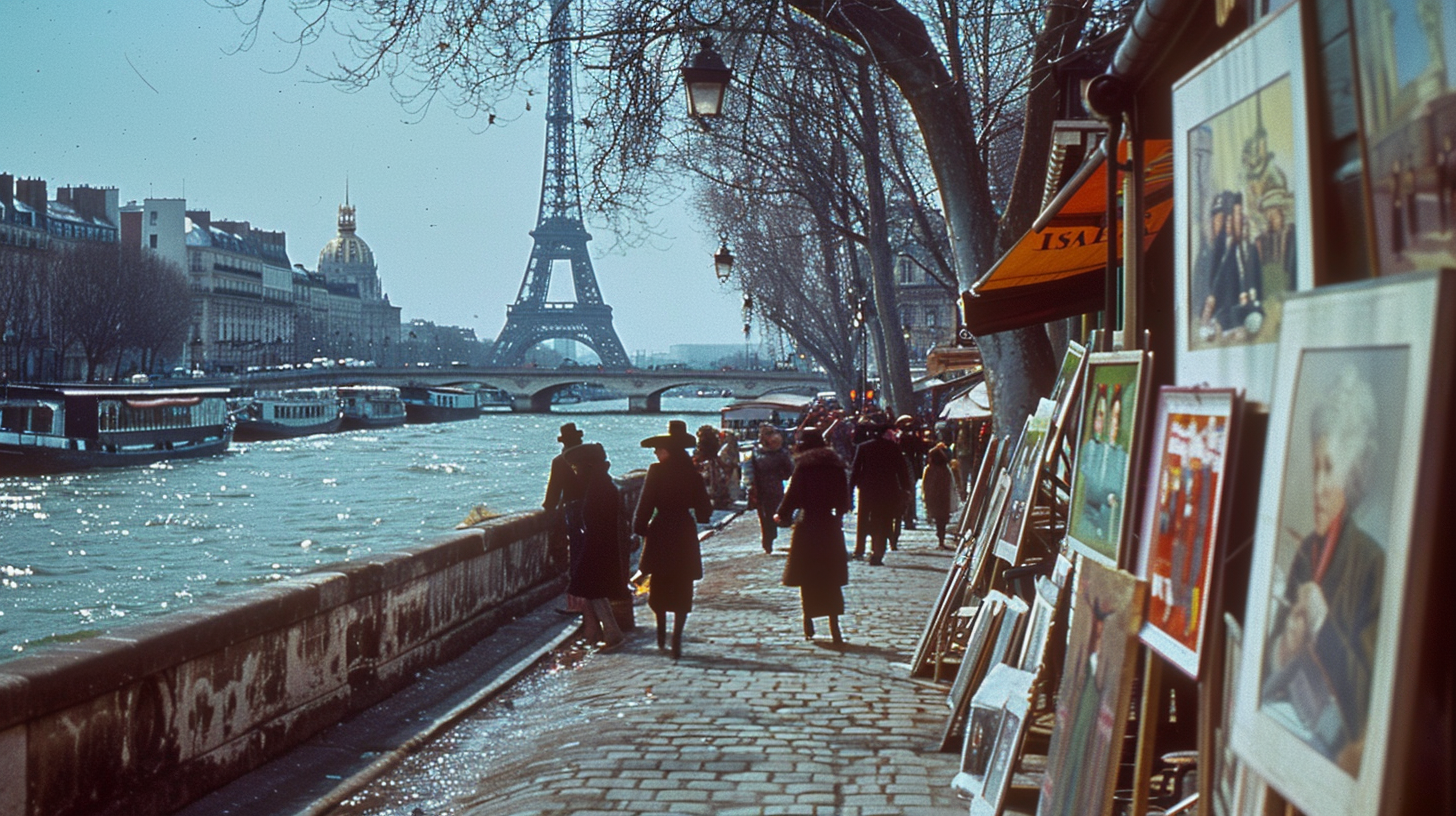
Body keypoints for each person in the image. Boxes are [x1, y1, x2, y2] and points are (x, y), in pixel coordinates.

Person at [1260, 367, 1382, 773]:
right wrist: (1283, 649)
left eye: (1329, 468)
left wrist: (1322, 623)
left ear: (1355, 473)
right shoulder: (1306, 553)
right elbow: (1264, 676)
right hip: (1287, 741)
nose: (1315, 485)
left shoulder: (1373, 566)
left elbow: (1369, 705)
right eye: (1314, 467)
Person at [632, 419, 712, 659]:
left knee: (660, 585)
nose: (656, 453)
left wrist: (639, 527)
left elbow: (645, 503)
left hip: (661, 531)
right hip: (684, 533)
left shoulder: (657, 471)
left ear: (667, 450)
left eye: (658, 450)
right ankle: (677, 635)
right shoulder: (693, 474)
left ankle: (661, 633)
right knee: (682, 586)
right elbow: (704, 512)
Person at [774, 428, 851, 644]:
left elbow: (793, 495)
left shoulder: (803, 467)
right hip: (829, 526)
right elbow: (844, 501)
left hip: (807, 526)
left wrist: (781, 513)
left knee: (808, 577)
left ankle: (809, 622)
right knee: (830, 577)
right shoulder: (836, 466)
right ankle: (834, 625)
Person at [563, 442, 625, 651]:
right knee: (590, 589)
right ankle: (594, 633)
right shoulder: (603, 484)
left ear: (587, 466)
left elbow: (596, 523)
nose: (576, 472)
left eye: (577, 468)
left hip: (597, 547)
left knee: (593, 590)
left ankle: (612, 632)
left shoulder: (598, 489)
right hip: (601, 545)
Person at [849, 414, 911, 566]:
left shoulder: (863, 448)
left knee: (863, 519)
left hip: (867, 489)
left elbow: (855, 471)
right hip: (888, 489)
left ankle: (860, 548)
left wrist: (850, 490)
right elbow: (902, 471)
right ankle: (878, 552)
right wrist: (906, 489)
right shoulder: (894, 448)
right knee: (884, 521)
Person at [543, 422, 588, 614]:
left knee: (577, 554)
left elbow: (553, 494)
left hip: (573, 510)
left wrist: (548, 511)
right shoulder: (589, 458)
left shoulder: (559, 461)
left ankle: (576, 602)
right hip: (593, 508)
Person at [747, 423, 794, 554]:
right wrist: (750, 486)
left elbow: (789, 471)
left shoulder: (781, 453)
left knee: (774, 514)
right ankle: (767, 540)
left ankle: (771, 535)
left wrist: (780, 475)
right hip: (759, 488)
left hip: (775, 488)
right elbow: (749, 470)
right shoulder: (755, 451)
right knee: (763, 516)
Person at [921, 443, 956, 549]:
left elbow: (926, 484)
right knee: (942, 521)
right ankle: (941, 539)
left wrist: (926, 497)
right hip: (944, 498)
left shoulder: (930, 469)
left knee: (938, 520)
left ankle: (940, 538)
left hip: (934, 498)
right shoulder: (945, 469)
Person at [896, 414, 927, 532]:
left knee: (906, 493)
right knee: (909, 493)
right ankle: (908, 517)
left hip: (904, 468)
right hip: (907, 467)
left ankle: (907, 516)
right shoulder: (906, 438)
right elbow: (919, 449)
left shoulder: (900, 437)